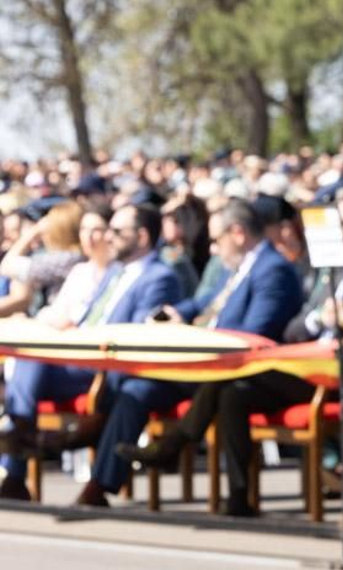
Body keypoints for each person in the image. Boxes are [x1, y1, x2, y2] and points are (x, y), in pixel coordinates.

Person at [118, 187, 343, 518]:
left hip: (341, 378)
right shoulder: (332, 273)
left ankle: (177, 444)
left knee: (232, 376)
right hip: (304, 367)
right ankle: (240, 496)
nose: (339, 231)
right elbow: (294, 329)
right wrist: (319, 318)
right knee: (233, 391)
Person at [74, 198, 305, 508]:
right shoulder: (237, 268)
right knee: (137, 389)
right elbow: (205, 302)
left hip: (246, 369)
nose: (212, 248)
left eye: (216, 239)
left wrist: (199, 336)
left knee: (228, 387)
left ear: (237, 233)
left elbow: (254, 333)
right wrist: (174, 313)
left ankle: (174, 446)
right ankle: (101, 483)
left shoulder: (272, 270)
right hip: (206, 364)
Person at [0, 205, 181, 501]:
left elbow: (138, 333)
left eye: (117, 231)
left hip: (107, 365)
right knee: (28, 356)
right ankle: (18, 450)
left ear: (143, 236)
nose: (109, 237)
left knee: (35, 361)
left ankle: (19, 440)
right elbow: (88, 317)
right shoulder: (116, 274)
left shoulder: (159, 277)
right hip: (79, 356)